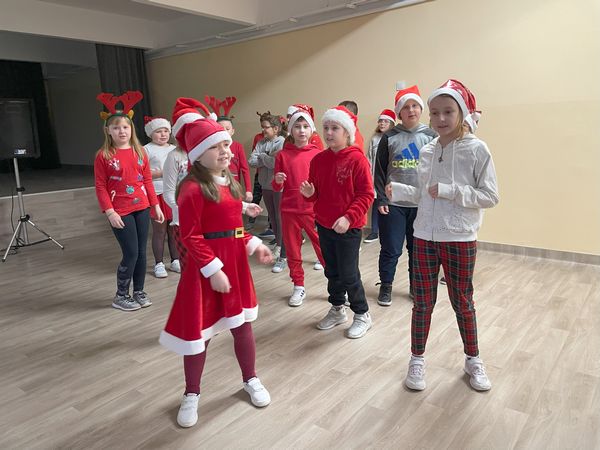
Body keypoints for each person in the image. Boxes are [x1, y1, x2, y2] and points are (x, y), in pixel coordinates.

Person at [159, 114, 274, 428]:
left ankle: (250, 378)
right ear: (198, 154)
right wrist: (213, 270)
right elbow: (190, 236)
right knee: (201, 335)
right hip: (206, 273)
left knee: (242, 327)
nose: (225, 150)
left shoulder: (230, 183)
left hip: (234, 268)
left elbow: (233, 230)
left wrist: (253, 244)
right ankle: (191, 392)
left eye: (226, 144)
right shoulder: (191, 188)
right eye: (215, 146)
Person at [386, 79, 499, 391]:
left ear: (461, 113)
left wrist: (451, 191)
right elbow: (425, 193)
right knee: (422, 303)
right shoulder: (427, 150)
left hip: (460, 238)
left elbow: (490, 196)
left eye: (448, 111)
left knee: (462, 301)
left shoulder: (477, 149)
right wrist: (401, 190)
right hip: (423, 236)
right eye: (434, 112)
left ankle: (473, 359)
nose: (440, 118)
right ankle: (417, 359)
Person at [300, 106, 374, 339]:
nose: (329, 133)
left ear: (347, 132)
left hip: (348, 228)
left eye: (335, 128)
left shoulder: (357, 160)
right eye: (326, 128)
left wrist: (348, 217)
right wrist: (310, 194)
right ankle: (337, 308)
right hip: (324, 224)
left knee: (349, 273)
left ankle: (362, 314)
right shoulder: (318, 160)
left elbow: (366, 194)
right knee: (331, 270)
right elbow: (316, 194)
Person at [94, 91, 164, 311]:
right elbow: (100, 186)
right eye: (116, 127)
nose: (121, 131)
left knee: (142, 253)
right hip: (120, 211)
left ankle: (139, 291)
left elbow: (147, 181)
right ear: (108, 130)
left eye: (125, 127)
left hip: (142, 207)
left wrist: (155, 205)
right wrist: (110, 212)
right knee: (131, 253)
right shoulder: (104, 155)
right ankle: (121, 295)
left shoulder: (140, 152)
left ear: (131, 129)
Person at [374, 86, 437, 306]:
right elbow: (379, 171)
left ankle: (414, 285)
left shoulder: (432, 136)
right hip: (393, 204)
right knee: (390, 249)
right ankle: (386, 285)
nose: (411, 110)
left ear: (421, 109)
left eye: (415, 106)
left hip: (421, 204)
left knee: (417, 249)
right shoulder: (389, 137)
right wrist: (381, 198)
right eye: (406, 107)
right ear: (399, 112)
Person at [272, 104, 325, 307]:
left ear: (311, 130)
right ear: (290, 130)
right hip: (289, 211)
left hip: (313, 211)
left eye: (305, 126)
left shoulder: (318, 154)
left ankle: (336, 284)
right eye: (297, 126)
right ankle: (298, 285)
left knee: (323, 248)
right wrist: (277, 180)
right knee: (293, 251)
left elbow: (324, 185)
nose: (301, 131)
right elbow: (277, 187)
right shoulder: (282, 155)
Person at [248, 112, 287, 273]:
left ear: (276, 128)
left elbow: (275, 164)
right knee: (272, 217)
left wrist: (262, 157)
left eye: (266, 127)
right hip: (265, 185)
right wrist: (267, 157)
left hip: (279, 187)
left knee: (279, 217)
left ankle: (283, 250)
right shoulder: (261, 142)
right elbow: (251, 161)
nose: (263, 130)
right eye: (262, 127)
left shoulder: (282, 142)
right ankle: (278, 244)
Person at [143, 115, 180, 278]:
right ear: (151, 133)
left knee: (174, 229)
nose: (163, 134)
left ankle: (175, 260)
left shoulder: (174, 148)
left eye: (166, 130)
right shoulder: (146, 149)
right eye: (159, 131)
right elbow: (141, 173)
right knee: (160, 230)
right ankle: (158, 264)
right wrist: (161, 173)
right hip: (156, 194)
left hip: (173, 193)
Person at [206, 95, 253, 201]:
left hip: (234, 187)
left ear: (232, 131)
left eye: (227, 128)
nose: (224, 131)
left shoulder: (238, 146)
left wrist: (248, 190)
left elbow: (245, 169)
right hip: (217, 186)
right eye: (221, 128)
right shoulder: (211, 147)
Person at [364, 108, 396, 243]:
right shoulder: (375, 139)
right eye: (380, 121)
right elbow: (369, 158)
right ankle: (374, 231)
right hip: (376, 176)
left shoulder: (394, 138)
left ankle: (391, 231)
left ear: (392, 123)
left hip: (390, 176)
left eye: (385, 121)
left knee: (391, 203)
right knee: (377, 202)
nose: (382, 123)